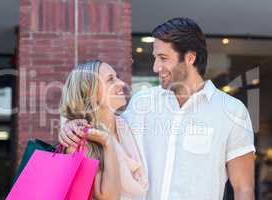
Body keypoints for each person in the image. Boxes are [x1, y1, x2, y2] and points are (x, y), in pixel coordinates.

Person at [60, 18, 255, 200]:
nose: (155, 67)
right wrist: (73, 125)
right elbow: (108, 129)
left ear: (189, 58)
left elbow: (243, 188)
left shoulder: (231, 111)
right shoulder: (142, 102)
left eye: (163, 58)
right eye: (155, 58)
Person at [59, 60, 148, 200]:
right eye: (110, 80)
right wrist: (107, 142)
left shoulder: (128, 125)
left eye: (117, 76)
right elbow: (109, 197)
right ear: (90, 94)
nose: (121, 83)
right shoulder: (79, 143)